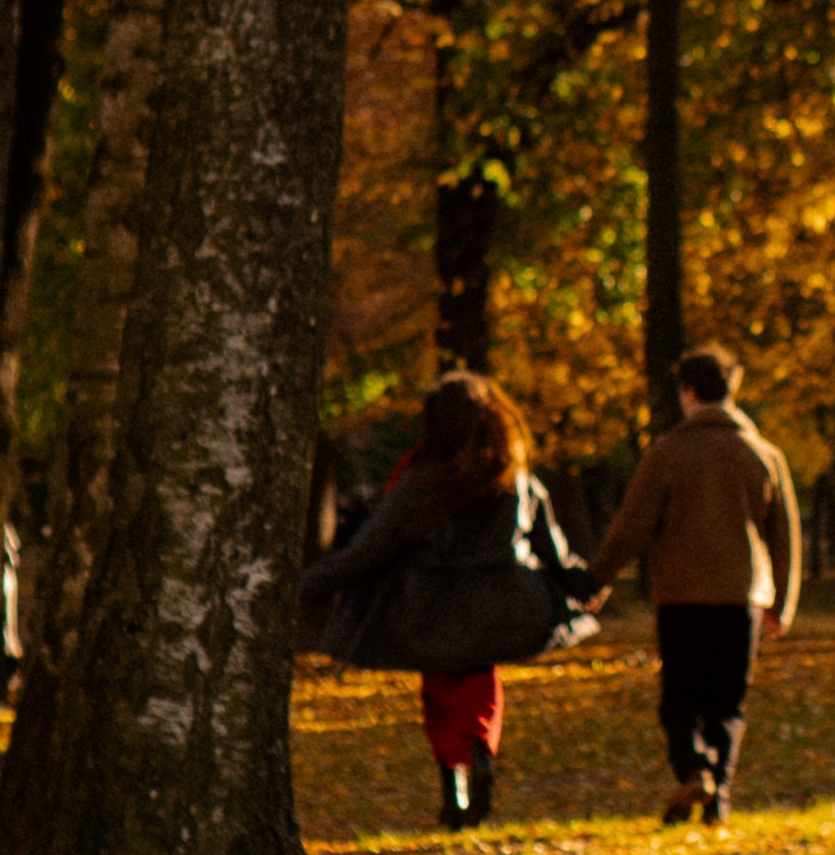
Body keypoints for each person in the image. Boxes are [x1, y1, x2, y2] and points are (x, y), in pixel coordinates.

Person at [299, 374, 590, 830]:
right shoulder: (513, 477)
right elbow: (552, 548)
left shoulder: (418, 483)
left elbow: (368, 552)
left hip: (426, 608)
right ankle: (480, 748)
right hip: (499, 603)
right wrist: (582, 585)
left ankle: (452, 784)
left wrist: (301, 585)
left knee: (437, 692)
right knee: (480, 682)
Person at [576, 347, 799, 824]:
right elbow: (784, 537)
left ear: (689, 393)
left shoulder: (669, 453)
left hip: (681, 597)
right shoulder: (762, 454)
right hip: (742, 597)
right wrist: (783, 602)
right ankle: (717, 798)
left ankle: (695, 767)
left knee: (680, 698)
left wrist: (599, 577)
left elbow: (632, 525)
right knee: (728, 704)